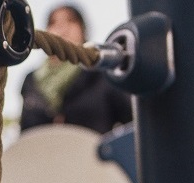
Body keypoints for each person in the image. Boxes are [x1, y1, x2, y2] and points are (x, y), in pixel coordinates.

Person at [19, 4, 133, 134]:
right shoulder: (31, 81)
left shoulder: (103, 75)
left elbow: (132, 125)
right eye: (53, 22)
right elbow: (24, 132)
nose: (62, 28)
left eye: (71, 21)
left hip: (91, 153)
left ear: (83, 30)